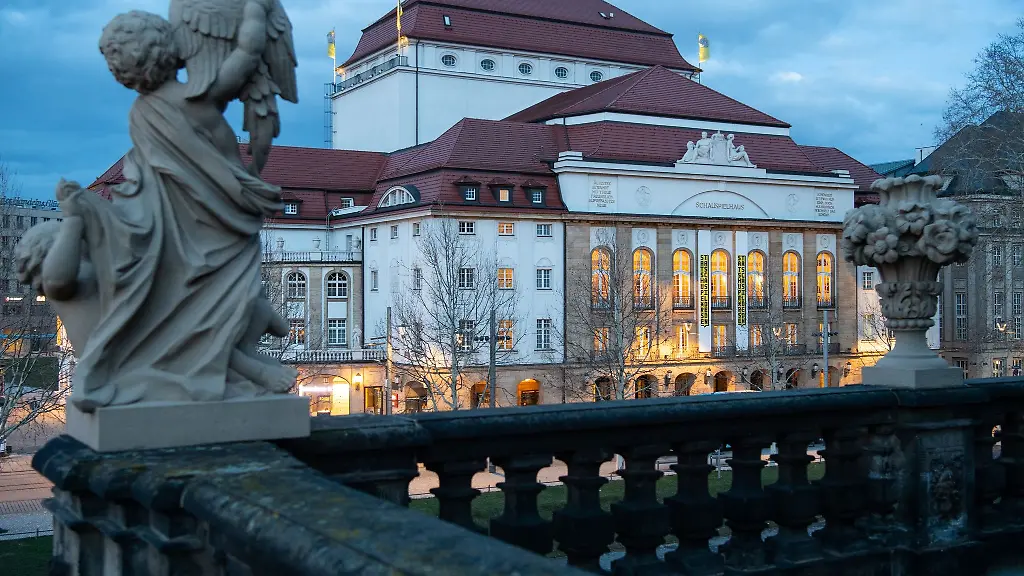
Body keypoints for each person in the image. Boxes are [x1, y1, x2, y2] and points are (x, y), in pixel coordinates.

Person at [57, 3, 289, 411]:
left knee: (178, 310)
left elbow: (147, 181)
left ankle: (215, 369)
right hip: (217, 228)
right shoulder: (198, 97)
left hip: (171, 230)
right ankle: (229, 370)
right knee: (205, 310)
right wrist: (255, 9)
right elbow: (245, 57)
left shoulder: (142, 112)